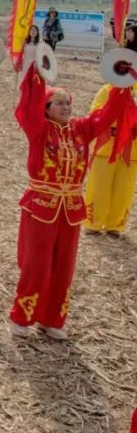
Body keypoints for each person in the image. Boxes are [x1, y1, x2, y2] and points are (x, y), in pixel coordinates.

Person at [10, 64, 135, 338]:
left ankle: (52, 320)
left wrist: (121, 84)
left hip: (71, 209)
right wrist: (37, 78)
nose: (66, 107)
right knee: (37, 264)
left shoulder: (81, 128)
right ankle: (23, 317)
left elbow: (107, 115)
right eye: (59, 103)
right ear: (46, 108)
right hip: (42, 205)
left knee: (64, 267)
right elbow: (28, 108)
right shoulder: (39, 129)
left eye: (68, 102)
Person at [83, 41, 137, 237]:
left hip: (131, 150)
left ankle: (115, 225)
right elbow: (95, 115)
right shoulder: (107, 90)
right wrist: (114, 128)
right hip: (107, 147)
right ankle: (94, 223)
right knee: (99, 185)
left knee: (124, 189)